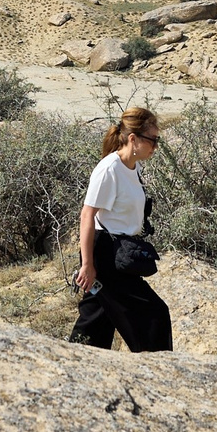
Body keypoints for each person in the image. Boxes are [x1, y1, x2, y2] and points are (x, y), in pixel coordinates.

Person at [71, 107, 174, 353]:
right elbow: (87, 215)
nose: (156, 146)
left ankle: (75, 364)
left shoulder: (133, 167)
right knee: (155, 315)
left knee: (95, 320)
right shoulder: (109, 169)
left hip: (120, 252)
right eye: (153, 139)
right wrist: (87, 265)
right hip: (105, 256)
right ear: (133, 138)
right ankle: (160, 371)